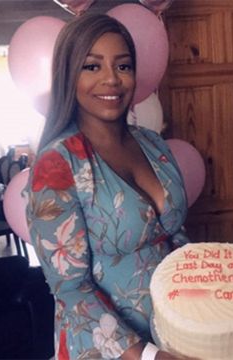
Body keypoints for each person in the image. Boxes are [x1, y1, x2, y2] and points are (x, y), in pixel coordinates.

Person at [27, 14, 191, 360]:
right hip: (108, 350)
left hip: (177, 333)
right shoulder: (57, 166)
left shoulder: (153, 144)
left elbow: (174, 236)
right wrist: (149, 357)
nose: (111, 80)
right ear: (68, 74)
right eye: (92, 67)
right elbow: (70, 290)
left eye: (123, 66)